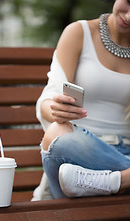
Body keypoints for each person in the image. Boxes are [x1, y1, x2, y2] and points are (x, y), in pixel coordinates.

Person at [33, 0, 130, 200]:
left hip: (124, 156)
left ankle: (112, 182)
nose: (129, 16)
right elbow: (49, 97)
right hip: (81, 154)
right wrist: (54, 108)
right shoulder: (79, 33)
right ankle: (121, 181)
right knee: (56, 134)